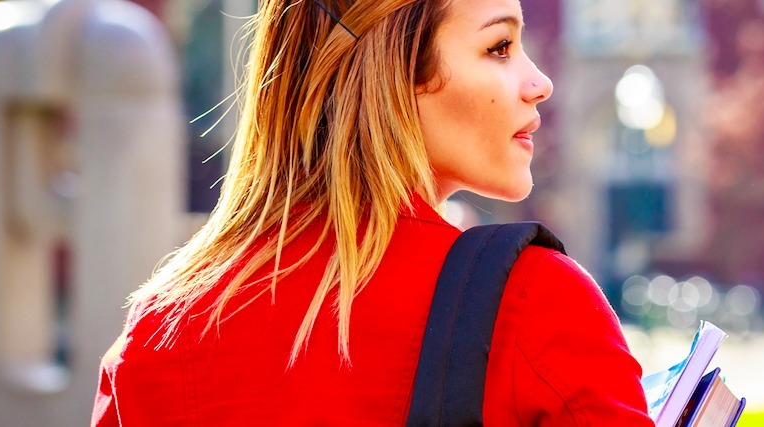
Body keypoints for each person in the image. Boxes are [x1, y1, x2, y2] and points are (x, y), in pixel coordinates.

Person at [91, 0, 653, 424]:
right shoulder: (536, 304)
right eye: (499, 47)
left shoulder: (154, 336)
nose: (540, 82)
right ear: (397, 72)